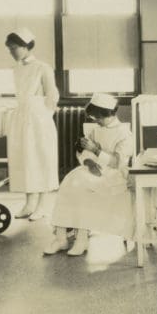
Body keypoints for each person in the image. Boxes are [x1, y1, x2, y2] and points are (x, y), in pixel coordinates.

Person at [44, 93, 135, 256]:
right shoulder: (96, 130)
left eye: (98, 117)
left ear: (108, 113)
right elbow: (84, 153)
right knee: (67, 183)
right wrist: (89, 162)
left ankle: (82, 238)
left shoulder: (125, 133)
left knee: (81, 187)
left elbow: (117, 163)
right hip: (93, 169)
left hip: (114, 175)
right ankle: (60, 238)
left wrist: (96, 150)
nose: (96, 121)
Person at [5, 28, 59, 220]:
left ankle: (43, 206)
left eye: (14, 48)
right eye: (9, 49)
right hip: (21, 117)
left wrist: (43, 116)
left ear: (26, 46)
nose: (11, 52)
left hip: (39, 119)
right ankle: (29, 204)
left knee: (41, 159)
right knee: (25, 161)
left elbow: (52, 95)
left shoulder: (43, 67)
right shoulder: (17, 68)